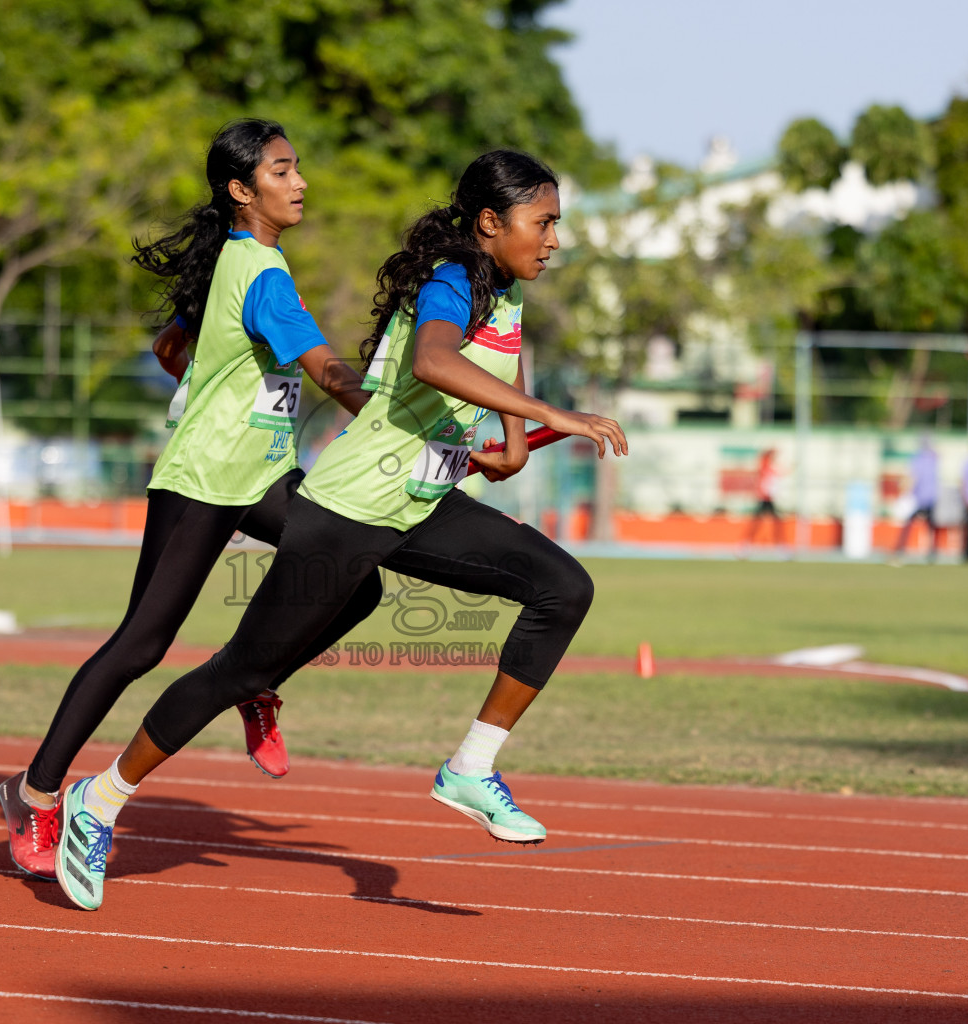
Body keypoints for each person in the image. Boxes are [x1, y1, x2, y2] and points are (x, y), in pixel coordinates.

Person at [52, 150, 628, 912]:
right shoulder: (452, 276)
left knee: (563, 586)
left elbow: (505, 407)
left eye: (557, 224)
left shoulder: (508, 293)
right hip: (350, 508)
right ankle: (99, 798)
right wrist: (555, 415)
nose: (554, 239)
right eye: (543, 222)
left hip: (419, 504)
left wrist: (510, 445)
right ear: (491, 223)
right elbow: (431, 360)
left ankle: (470, 768)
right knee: (237, 675)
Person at [0, 119, 383, 881]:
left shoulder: (237, 267)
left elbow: (170, 349)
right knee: (141, 645)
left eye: (297, 167)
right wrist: (394, 413)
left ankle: (254, 679)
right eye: (282, 171)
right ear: (243, 191)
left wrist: (208, 386)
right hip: (204, 481)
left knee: (357, 579)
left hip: (261, 479)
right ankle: (34, 792)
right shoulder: (263, 275)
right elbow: (332, 375)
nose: (300, 182)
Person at [891, 436, 940, 565]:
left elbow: (912, 477)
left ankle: (901, 551)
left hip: (920, 499)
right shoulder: (932, 459)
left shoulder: (919, 458)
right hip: (927, 498)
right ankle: (930, 554)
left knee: (910, 527)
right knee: (929, 528)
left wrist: (905, 491)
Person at [739, 448, 783, 554]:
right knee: (756, 525)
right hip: (763, 500)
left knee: (776, 525)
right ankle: (745, 547)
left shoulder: (771, 469)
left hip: (769, 500)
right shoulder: (764, 467)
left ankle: (781, 548)